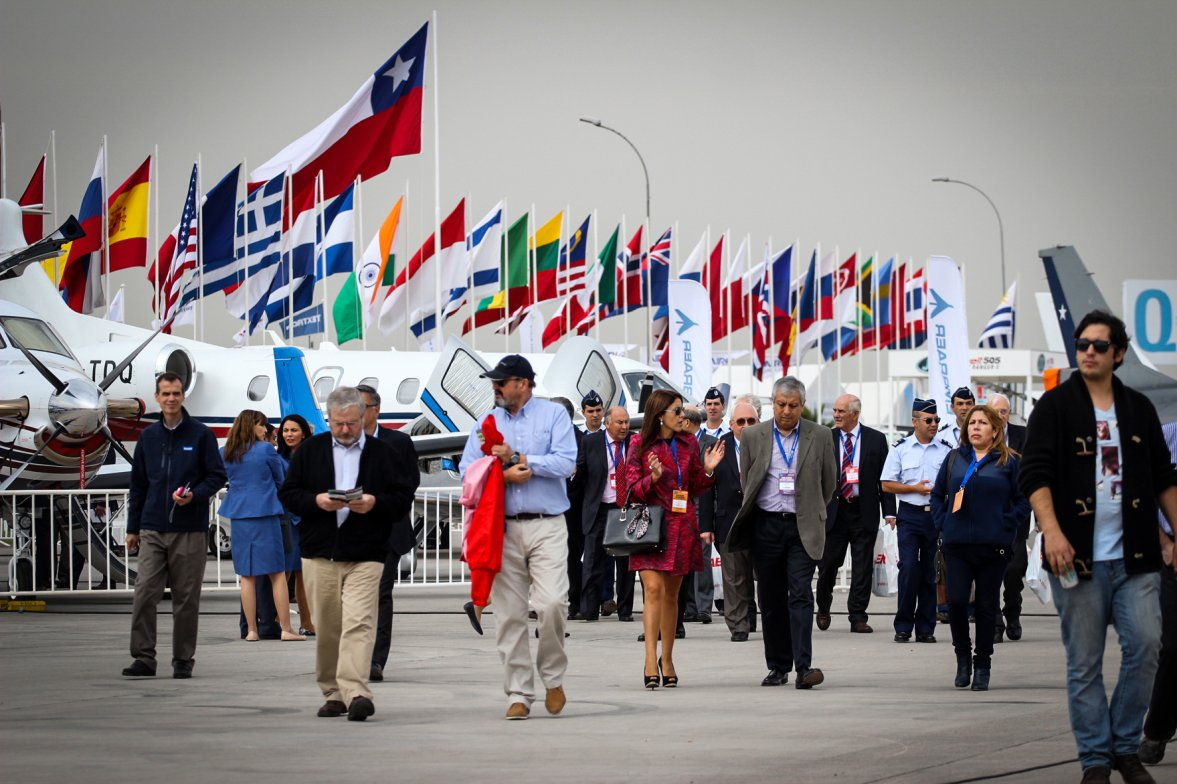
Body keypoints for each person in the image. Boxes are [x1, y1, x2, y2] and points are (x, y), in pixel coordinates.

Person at [1020, 310, 1177, 784]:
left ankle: (1124, 747)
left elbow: (1164, 478)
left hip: (1137, 559)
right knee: (1084, 663)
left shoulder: (1138, 409)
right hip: (1078, 559)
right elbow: (1034, 474)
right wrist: (1052, 532)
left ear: (1119, 354)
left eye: (1099, 345)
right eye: (1082, 344)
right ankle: (1095, 760)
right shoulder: (1054, 407)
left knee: (1147, 647)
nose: (1088, 352)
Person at [279, 386, 418, 722]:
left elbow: (402, 497)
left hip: (367, 553)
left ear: (363, 417)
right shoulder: (310, 451)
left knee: (359, 622)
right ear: (328, 419)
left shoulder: (383, 453)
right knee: (329, 627)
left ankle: (357, 692)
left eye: (351, 423)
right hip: (319, 553)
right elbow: (289, 494)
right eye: (338, 423)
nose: (345, 430)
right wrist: (316, 502)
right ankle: (333, 693)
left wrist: (374, 503)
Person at [458, 355, 578, 720]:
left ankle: (553, 677)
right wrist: (502, 474)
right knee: (509, 614)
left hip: (547, 523)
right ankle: (519, 693)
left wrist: (524, 459)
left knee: (552, 603)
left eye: (502, 382)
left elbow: (566, 463)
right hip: (503, 527)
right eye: (494, 382)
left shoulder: (554, 416)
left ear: (523, 384)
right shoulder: (485, 423)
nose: (495, 387)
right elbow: (466, 470)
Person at [727, 376, 836, 689]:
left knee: (801, 593)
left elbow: (828, 483)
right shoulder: (753, 435)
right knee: (771, 598)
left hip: (802, 526)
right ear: (773, 403)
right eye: (781, 404)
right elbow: (748, 480)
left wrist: (810, 509)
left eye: (793, 405)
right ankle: (777, 666)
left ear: (802, 406)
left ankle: (804, 667)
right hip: (766, 525)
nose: (786, 411)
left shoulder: (820, 435)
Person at [122, 372, 227, 679]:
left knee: (186, 599)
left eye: (176, 393)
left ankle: (183, 659)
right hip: (153, 528)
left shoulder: (201, 435)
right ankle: (144, 657)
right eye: (166, 393)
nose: (171, 399)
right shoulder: (148, 437)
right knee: (144, 593)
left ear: (183, 396)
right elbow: (138, 485)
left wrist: (196, 496)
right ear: (157, 397)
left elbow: (217, 476)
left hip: (189, 529)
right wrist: (132, 528)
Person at [622, 389, 723, 689]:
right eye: (677, 411)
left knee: (671, 595)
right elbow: (629, 490)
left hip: (681, 527)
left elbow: (696, 486)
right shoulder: (639, 444)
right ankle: (649, 659)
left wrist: (708, 471)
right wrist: (652, 478)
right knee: (653, 589)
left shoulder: (688, 443)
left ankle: (667, 659)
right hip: (650, 527)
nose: (684, 416)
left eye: (683, 411)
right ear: (660, 415)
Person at [931, 405, 1029, 691]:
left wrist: (1005, 524)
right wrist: (944, 523)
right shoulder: (954, 459)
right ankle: (963, 658)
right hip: (957, 545)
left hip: (993, 547)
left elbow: (1023, 501)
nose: (975, 427)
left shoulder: (1009, 461)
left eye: (982, 423)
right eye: (972, 423)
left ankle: (983, 663)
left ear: (995, 430)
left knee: (986, 606)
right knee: (957, 602)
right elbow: (937, 496)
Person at [355, 384, 421, 684]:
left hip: (388, 530)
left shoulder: (399, 442)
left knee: (380, 594)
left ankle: (375, 659)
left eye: (362, 406)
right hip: (351, 530)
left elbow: (410, 483)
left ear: (376, 409)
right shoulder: (342, 441)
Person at [220, 410, 305, 642]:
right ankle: (286, 629)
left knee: (247, 576)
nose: (265, 429)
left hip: (239, 515)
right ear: (252, 425)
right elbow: (281, 480)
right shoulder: (266, 449)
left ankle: (251, 630)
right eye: (262, 425)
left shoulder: (227, 451)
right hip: (266, 514)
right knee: (277, 573)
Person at [814, 394, 895, 634]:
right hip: (834, 512)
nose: (836, 415)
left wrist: (890, 512)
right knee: (828, 564)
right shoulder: (826, 438)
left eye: (841, 411)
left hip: (863, 510)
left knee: (862, 567)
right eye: (835, 410)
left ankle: (858, 615)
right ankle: (823, 606)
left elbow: (885, 479)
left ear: (855, 414)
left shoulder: (876, 439)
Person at [881, 399, 953, 644]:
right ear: (915, 422)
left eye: (936, 420)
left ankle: (926, 627)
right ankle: (903, 625)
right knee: (909, 568)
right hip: (910, 515)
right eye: (928, 420)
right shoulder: (900, 448)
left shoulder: (945, 449)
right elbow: (886, 484)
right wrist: (914, 488)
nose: (934, 424)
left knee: (930, 571)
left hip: (935, 515)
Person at [699, 399, 759, 641]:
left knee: (760, 575)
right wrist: (705, 526)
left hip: (762, 521)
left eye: (751, 421)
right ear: (731, 424)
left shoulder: (767, 446)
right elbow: (706, 487)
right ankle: (738, 625)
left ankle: (752, 617)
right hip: (729, 522)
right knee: (734, 577)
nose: (746, 425)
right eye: (741, 421)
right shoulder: (718, 447)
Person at [574, 405, 635, 622]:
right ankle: (589, 609)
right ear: (607, 423)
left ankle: (625, 610)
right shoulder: (591, 442)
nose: (624, 426)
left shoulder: (634, 441)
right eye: (619, 422)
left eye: (626, 422)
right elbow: (580, 472)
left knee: (626, 563)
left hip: (626, 508)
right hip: (599, 508)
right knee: (593, 561)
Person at [1140, 421, 1177, 766]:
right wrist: (1164, 543)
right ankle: (1158, 729)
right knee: (1172, 647)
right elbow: (1139, 495)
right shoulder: (1165, 437)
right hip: (1172, 556)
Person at [988, 393, 1031, 644]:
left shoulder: (1022, 435)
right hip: (987, 515)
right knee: (989, 572)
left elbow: (1030, 470)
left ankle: (1012, 612)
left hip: (1016, 514)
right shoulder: (979, 436)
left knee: (1015, 570)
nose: (1000, 416)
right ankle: (995, 623)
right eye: (995, 411)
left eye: (1003, 411)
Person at [278, 414, 315, 636]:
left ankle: (307, 622)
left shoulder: (312, 457)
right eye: (285, 430)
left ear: (303, 433)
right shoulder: (278, 459)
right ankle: (279, 622)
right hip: (287, 521)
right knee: (284, 573)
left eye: (293, 430)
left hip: (308, 520)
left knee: (305, 574)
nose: (289, 435)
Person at [679, 405, 716, 625]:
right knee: (686, 558)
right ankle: (689, 607)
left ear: (688, 422)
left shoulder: (710, 443)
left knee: (702, 558)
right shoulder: (677, 443)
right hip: (682, 507)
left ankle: (704, 607)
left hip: (702, 506)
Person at [552, 396, 586, 621]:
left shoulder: (581, 440)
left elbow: (580, 473)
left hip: (572, 510)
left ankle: (574, 602)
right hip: (548, 509)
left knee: (571, 557)